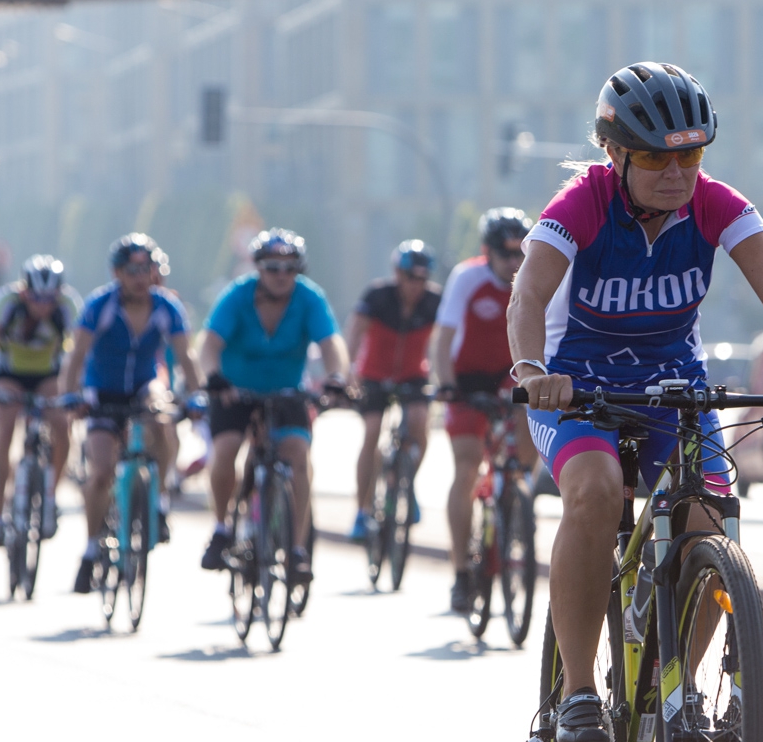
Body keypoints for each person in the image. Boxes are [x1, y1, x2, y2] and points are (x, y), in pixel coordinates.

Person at [509, 63, 763, 742]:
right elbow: (527, 297)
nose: (677, 174)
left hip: (674, 380)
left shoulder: (716, 204)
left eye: (691, 155)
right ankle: (579, 692)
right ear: (615, 155)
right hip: (579, 385)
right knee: (595, 489)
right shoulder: (580, 205)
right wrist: (531, 370)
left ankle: (680, 687)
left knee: (712, 516)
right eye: (655, 158)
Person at [197, 228, 350, 574]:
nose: (281, 275)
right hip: (235, 392)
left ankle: (297, 549)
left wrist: (337, 377)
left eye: (289, 268)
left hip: (286, 392)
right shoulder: (237, 296)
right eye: (272, 267)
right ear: (258, 269)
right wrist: (214, 378)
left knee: (298, 454)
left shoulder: (309, 298)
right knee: (226, 450)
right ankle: (221, 529)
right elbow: (208, 346)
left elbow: (331, 344)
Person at [58, 234, 200, 595]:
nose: (141, 277)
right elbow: (76, 358)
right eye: (133, 270)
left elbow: (187, 358)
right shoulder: (100, 305)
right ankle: (91, 549)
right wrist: (71, 396)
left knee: (163, 416)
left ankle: (161, 499)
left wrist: (197, 398)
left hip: (143, 386)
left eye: (148, 269)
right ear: (118, 273)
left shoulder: (167, 307)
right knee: (102, 472)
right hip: (102, 392)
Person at [433, 207, 541, 614]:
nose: (514, 262)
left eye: (521, 254)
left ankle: (514, 504)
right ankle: (462, 572)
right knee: (465, 467)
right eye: (505, 253)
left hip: (513, 376)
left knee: (528, 449)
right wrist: (446, 386)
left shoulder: (537, 275)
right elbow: (443, 340)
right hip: (467, 379)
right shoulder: (467, 278)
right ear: (487, 251)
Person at [0, 255, 81, 546]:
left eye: (49, 299)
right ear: (24, 292)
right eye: (36, 298)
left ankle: (50, 496)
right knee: (5, 429)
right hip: (10, 372)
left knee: (61, 425)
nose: (43, 306)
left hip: (48, 374)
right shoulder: (5, 302)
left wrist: (81, 386)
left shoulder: (69, 306)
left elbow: (82, 351)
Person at [345, 239, 440, 541]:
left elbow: (445, 339)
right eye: (411, 278)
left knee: (419, 423)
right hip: (373, 374)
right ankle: (361, 511)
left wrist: (441, 377)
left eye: (423, 279)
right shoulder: (378, 295)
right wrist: (349, 371)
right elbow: (356, 331)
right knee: (372, 431)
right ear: (398, 274)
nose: (417, 285)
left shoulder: (434, 301)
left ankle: (405, 483)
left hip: (413, 374)